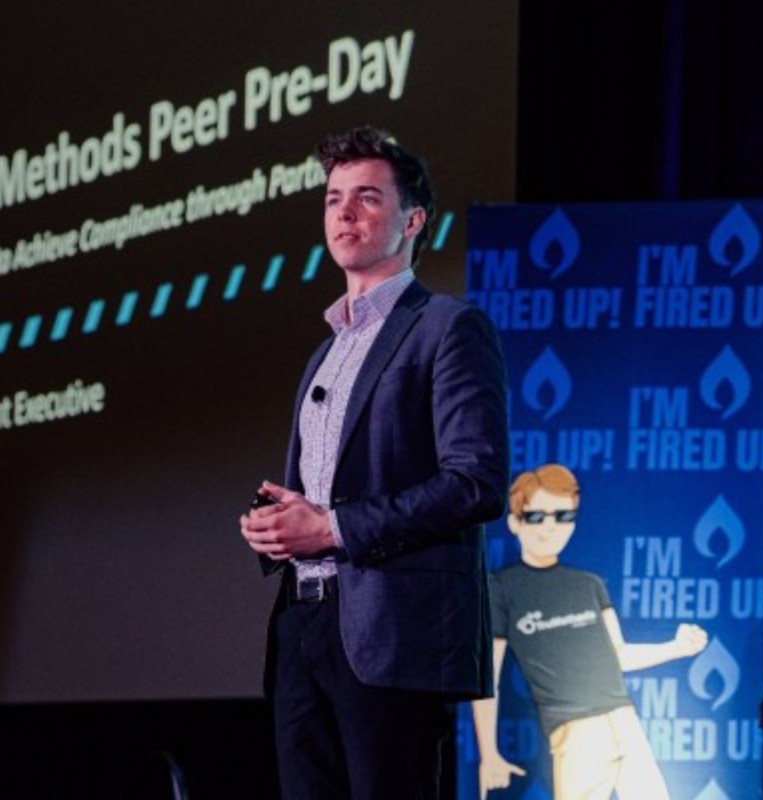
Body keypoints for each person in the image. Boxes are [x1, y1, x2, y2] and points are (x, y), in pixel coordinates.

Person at [240, 125, 509, 800]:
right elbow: (326, 489)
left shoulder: (448, 327)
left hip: (394, 633)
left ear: (412, 221)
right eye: (334, 199)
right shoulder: (325, 351)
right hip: (303, 624)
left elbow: (474, 482)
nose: (345, 213)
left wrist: (331, 528)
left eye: (366, 197)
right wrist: (280, 526)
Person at [472, 464, 708, 800]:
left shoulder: (589, 584)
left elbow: (619, 655)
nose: (550, 527)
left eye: (563, 516)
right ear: (515, 522)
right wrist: (489, 753)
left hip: (625, 722)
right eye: (537, 517)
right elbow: (487, 678)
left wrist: (675, 647)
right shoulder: (501, 587)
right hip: (575, 731)